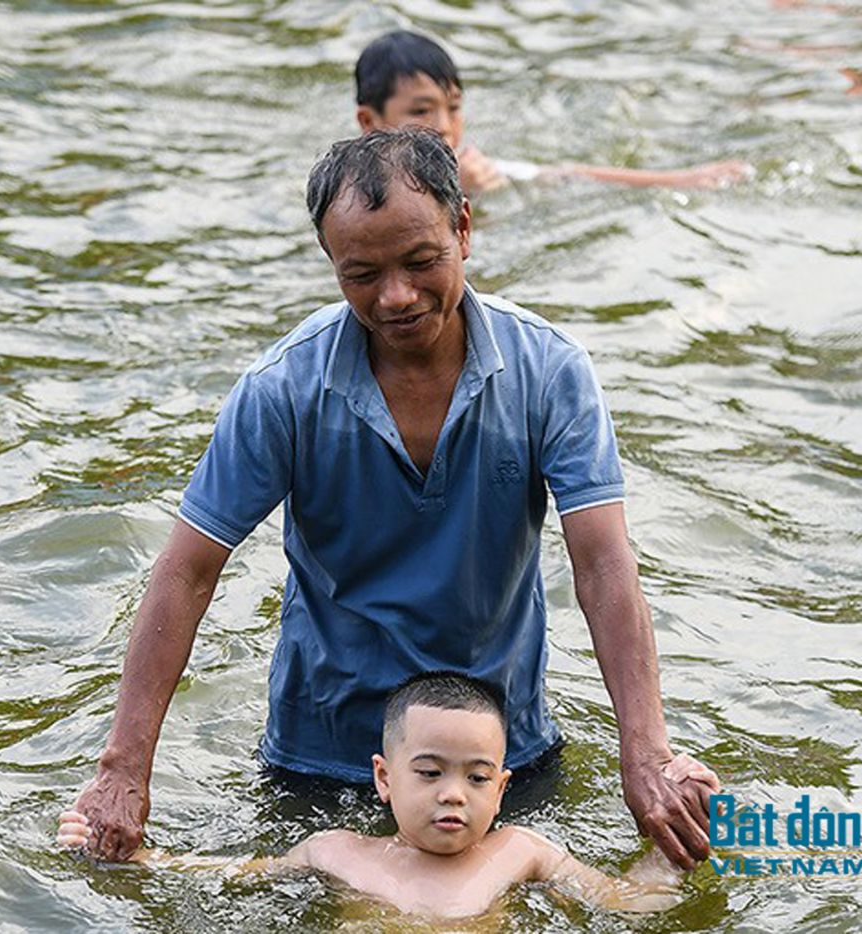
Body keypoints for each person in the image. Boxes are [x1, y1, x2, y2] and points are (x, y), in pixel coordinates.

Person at [71, 126, 718, 872]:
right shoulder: (283, 388)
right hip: (327, 756)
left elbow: (603, 562)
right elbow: (187, 571)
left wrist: (646, 753)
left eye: (421, 262)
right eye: (362, 274)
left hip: (499, 757)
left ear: (464, 229)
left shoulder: (549, 372)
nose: (397, 296)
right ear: (330, 265)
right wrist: (123, 770)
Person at [60, 672, 719, 919]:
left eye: (476, 778)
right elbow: (219, 879)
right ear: (383, 779)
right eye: (429, 773)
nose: (452, 795)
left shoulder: (521, 851)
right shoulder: (336, 851)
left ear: (503, 788)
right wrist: (120, 856)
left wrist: (679, 838)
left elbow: (632, 908)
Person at [354, 30, 751, 196]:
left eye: (453, 108)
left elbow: (563, 174)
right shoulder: (354, 190)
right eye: (421, 111)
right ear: (370, 122)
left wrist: (682, 178)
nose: (443, 127)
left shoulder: (469, 166)